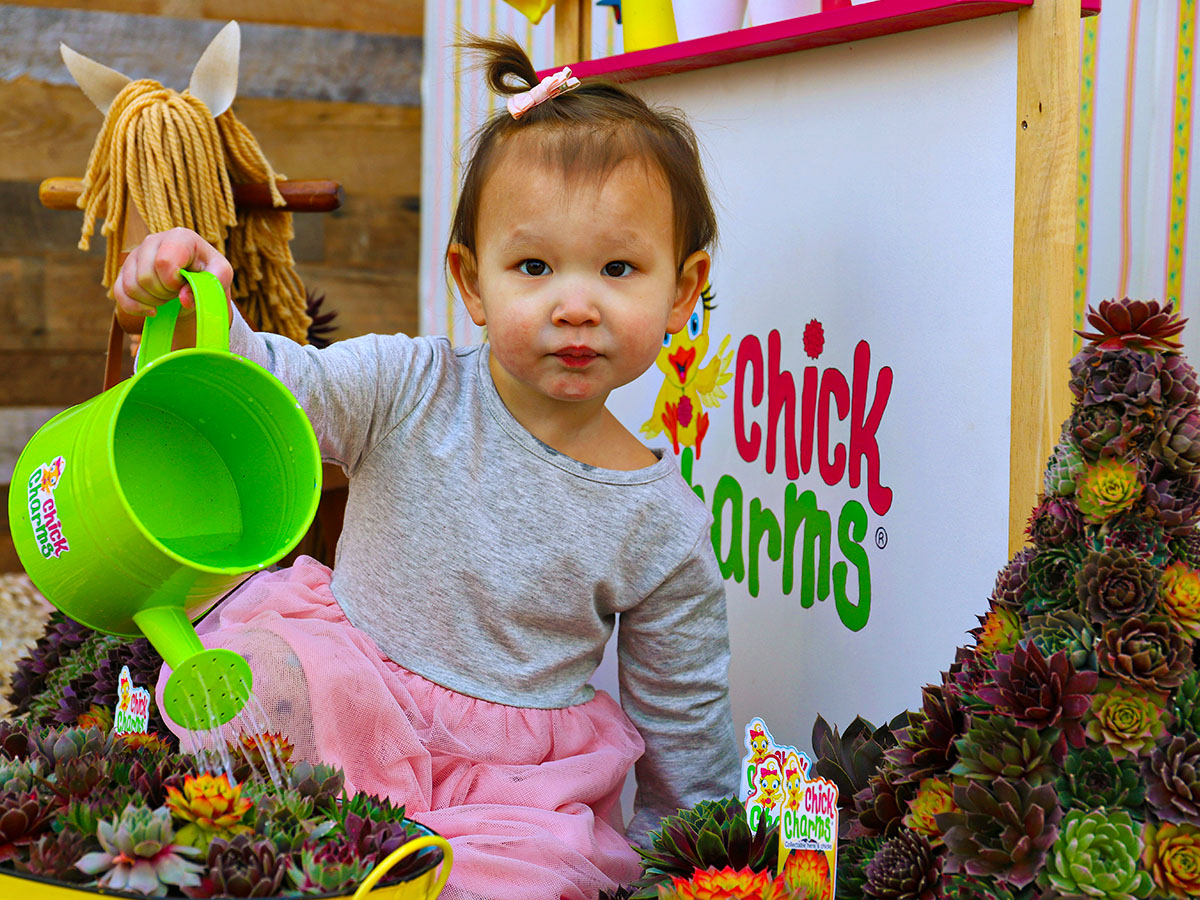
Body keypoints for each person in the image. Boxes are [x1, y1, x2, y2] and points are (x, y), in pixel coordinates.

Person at [115, 36, 738, 900]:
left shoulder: (659, 521)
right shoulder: (409, 386)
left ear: (681, 289)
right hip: (353, 689)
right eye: (533, 266)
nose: (575, 304)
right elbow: (278, 395)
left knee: (538, 873)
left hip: (513, 778)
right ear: (471, 282)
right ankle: (295, 856)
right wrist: (198, 311)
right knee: (250, 689)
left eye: (619, 268)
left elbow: (684, 714)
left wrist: (693, 856)